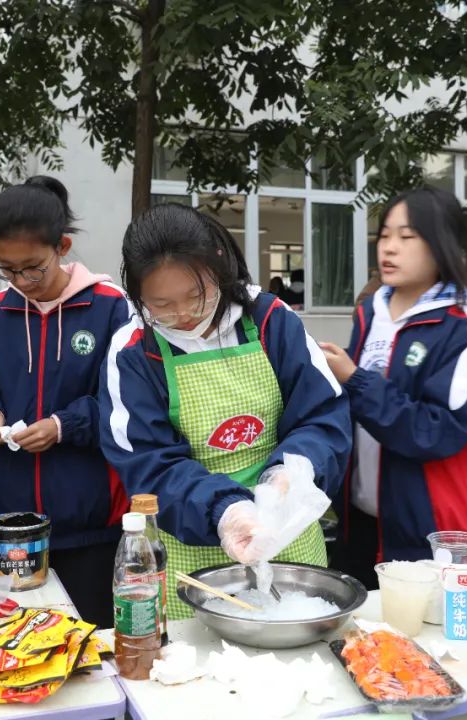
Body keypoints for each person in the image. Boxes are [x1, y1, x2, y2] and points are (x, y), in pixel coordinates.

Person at [100, 204, 350, 620]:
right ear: (138, 295)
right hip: (192, 549)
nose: (183, 316)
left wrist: (291, 473)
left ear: (219, 266)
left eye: (197, 296)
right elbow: (149, 465)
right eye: (161, 304)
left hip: (289, 540)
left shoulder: (271, 320)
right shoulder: (133, 354)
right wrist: (227, 513)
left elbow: (322, 416)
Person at [0, 176, 132, 627]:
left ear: (62, 246)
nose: (21, 281)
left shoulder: (110, 307)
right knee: (15, 638)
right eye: (7, 269)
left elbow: (124, 403)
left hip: (90, 516)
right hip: (10, 521)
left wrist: (63, 426)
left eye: (32, 267)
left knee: (89, 643)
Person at [319, 188, 467, 589]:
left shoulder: (462, 327)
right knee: (362, 640)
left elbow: (436, 431)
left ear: (441, 244)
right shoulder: (371, 313)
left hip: (433, 527)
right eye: (384, 235)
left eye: (407, 236)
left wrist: (355, 380)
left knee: (430, 644)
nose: (390, 248)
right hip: (361, 516)